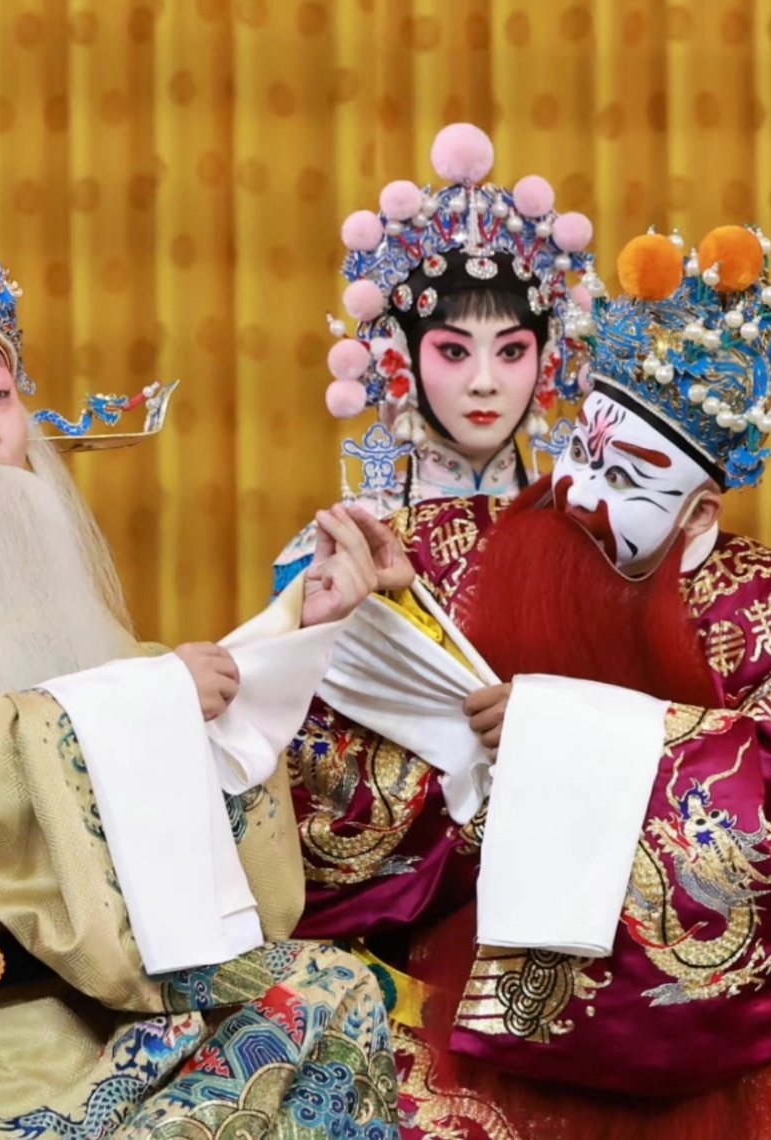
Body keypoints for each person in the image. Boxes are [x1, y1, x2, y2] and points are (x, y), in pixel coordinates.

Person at [0, 221, 403, 1137]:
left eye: (0, 393)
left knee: (338, 993)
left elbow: (156, 712)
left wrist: (296, 624)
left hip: (100, 983)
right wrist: (158, 699)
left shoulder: (32, 602)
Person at [295, 225, 771, 1140]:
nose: (581, 491)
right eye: (585, 452)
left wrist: (559, 733)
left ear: (697, 520)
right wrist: (366, 624)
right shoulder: (447, 550)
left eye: (628, 477)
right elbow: (343, 786)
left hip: (700, 1074)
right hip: (460, 1019)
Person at [279, 123, 599, 939]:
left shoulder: (602, 544)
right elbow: (298, 776)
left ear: (550, 358)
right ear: (400, 357)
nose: (487, 382)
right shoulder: (337, 546)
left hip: (586, 897)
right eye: (454, 351)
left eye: (513, 351)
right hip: (399, 926)